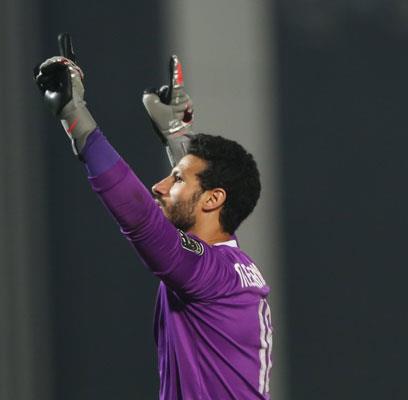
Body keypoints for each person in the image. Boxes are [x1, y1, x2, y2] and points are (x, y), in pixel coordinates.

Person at [34, 33, 273, 400]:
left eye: (175, 179)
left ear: (214, 199)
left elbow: (141, 219)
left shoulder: (207, 273)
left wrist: (74, 116)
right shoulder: (232, 265)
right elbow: (197, 198)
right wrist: (177, 138)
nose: (158, 186)